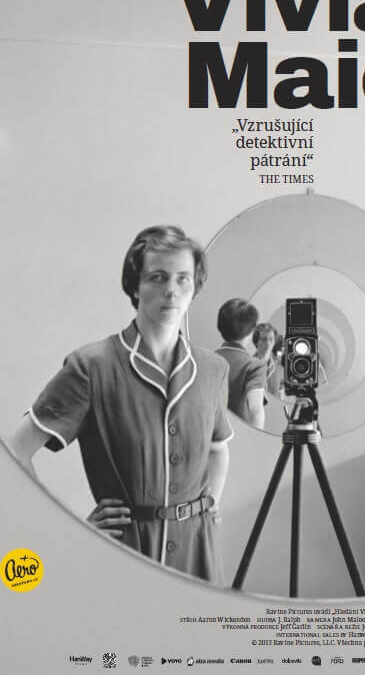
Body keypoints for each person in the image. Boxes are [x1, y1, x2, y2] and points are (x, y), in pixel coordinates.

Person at [8, 225, 233, 585]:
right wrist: (69, 529)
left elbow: (218, 448)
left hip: (199, 556)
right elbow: (14, 452)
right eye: (157, 277)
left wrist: (209, 505)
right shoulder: (91, 367)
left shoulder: (213, 369)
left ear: (195, 286)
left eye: (183, 279)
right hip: (125, 556)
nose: (171, 290)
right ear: (135, 286)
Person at [216, 299, 267, 429]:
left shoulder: (207, 360)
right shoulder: (254, 366)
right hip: (239, 435)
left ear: (220, 326)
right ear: (252, 330)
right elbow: (255, 412)